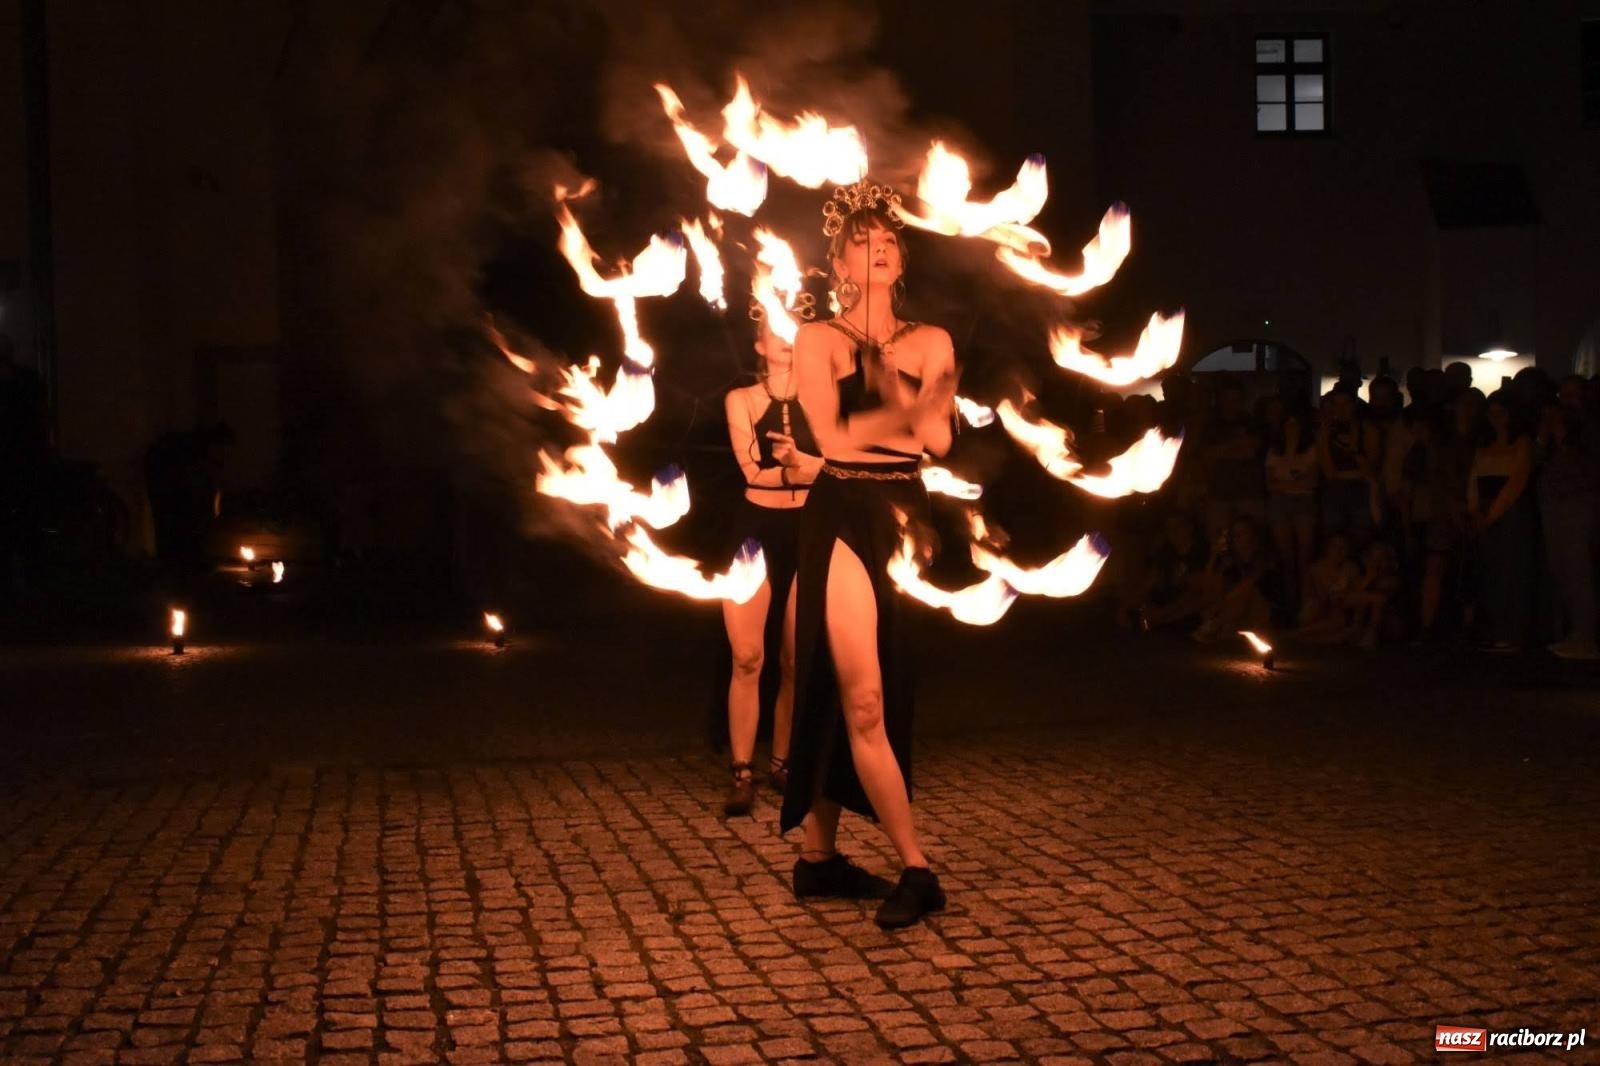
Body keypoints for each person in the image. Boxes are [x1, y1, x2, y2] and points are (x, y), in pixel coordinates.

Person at [784, 180, 956, 930]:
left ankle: (818, 862)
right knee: (860, 697)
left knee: (863, 686)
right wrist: (903, 408)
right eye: (862, 239)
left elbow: (941, 441)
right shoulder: (815, 339)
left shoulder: (934, 340)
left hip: (903, 513)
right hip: (842, 507)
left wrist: (912, 411)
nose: (879, 246)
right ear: (840, 262)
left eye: (887, 236)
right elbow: (830, 439)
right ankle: (917, 870)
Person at [718, 312, 825, 815]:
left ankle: (781, 763)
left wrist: (806, 463)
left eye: (791, 327)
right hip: (754, 535)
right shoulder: (740, 400)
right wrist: (789, 472)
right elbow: (749, 472)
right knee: (747, 656)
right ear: (759, 345)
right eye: (773, 329)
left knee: (793, 660)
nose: (784, 335)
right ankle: (742, 771)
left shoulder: (824, 396)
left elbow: (845, 465)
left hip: (808, 533)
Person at [1467, 391, 1535, 650]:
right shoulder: (1483, 443)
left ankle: (1513, 630)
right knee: (1490, 570)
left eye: (1501, 413)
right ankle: (1494, 627)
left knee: (1512, 570)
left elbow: (1516, 482)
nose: (1496, 419)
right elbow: (1473, 478)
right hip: (1485, 510)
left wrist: (1493, 513)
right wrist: (1475, 510)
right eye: (1491, 413)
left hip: (1511, 512)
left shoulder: (1521, 442)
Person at [1264, 405, 1319, 614]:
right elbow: (1270, 484)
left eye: (1295, 423)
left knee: (1305, 556)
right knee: (1286, 557)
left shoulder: (1310, 448)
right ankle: (1290, 605)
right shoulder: (1274, 450)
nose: (1292, 427)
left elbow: (1313, 480)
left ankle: (1306, 604)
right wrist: (1297, 484)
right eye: (1288, 423)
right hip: (1280, 504)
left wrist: (1284, 484)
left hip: (1304, 503)